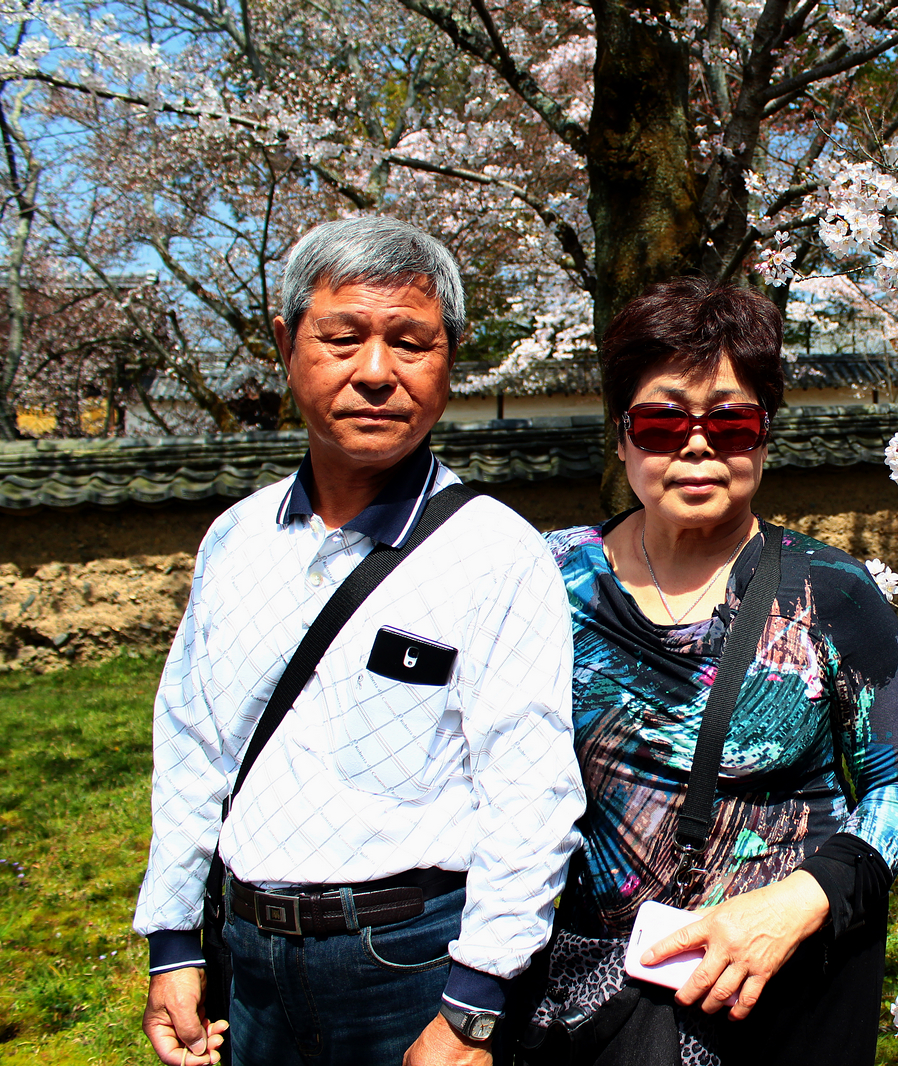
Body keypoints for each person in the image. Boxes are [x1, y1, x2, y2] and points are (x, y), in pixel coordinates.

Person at [132, 216, 583, 1066]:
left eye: (410, 342)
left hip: (413, 961)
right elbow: (192, 745)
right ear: (285, 344)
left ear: (450, 357)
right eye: (342, 338)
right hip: (247, 956)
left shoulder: (495, 551)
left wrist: (474, 1005)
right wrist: (174, 940)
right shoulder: (236, 539)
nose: (376, 372)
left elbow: (530, 792)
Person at [541, 278, 898, 1065]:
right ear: (621, 438)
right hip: (596, 1002)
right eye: (662, 423)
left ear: (763, 438)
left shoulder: (830, 591)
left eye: (730, 423)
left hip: (782, 996)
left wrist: (797, 903)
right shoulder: (549, 580)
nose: (697, 446)